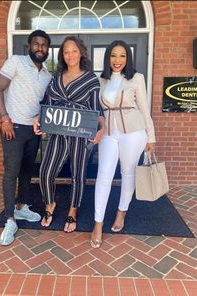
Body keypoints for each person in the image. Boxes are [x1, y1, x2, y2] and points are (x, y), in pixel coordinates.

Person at [34, 36, 105, 233]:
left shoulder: (90, 79)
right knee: (45, 171)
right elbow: (46, 105)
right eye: (66, 51)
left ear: (81, 52)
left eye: (74, 51)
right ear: (62, 55)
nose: (70, 55)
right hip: (58, 133)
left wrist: (102, 130)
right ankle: (50, 204)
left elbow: (97, 109)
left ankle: (73, 210)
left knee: (78, 175)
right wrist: (38, 120)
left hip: (81, 134)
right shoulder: (56, 79)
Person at [90, 40, 155, 248]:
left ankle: (121, 212)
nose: (118, 60)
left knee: (128, 173)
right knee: (104, 175)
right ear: (108, 58)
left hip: (134, 132)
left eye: (122, 56)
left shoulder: (136, 78)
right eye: (113, 56)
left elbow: (145, 109)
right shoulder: (100, 80)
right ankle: (97, 223)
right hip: (108, 132)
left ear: (128, 58)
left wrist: (151, 136)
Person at [0, 29, 52, 246]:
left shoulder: (47, 74)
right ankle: (9, 220)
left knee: (27, 171)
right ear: (29, 46)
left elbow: (44, 105)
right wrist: (4, 118)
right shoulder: (16, 62)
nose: (40, 48)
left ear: (48, 49)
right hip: (13, 127)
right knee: (11, 172)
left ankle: (21, 207)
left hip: (32, 131)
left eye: (44, 45)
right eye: (36, 44)